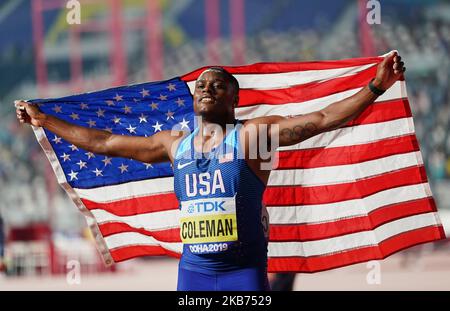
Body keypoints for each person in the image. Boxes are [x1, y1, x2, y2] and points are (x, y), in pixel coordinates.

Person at [16, 52, 405, 291]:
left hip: (243, 275)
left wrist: (375, 85)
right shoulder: (174, 144)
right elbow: (103, 142)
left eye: (218, 86)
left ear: (234, 99)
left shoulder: (253, 136)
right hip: (194, 275)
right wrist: (45, 120)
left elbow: (320, 119)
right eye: (202, 84)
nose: (206, 89)